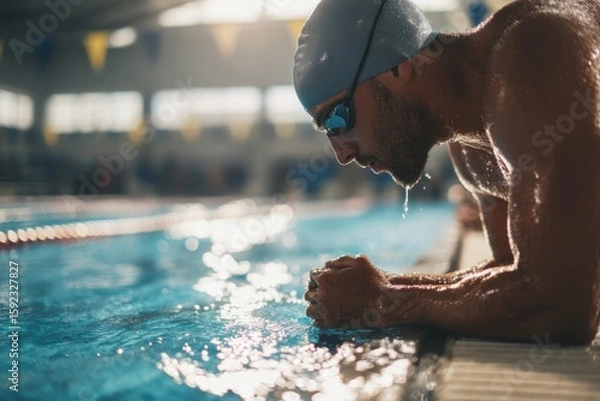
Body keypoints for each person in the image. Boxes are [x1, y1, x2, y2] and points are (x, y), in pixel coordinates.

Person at [294, 0, 599, 344]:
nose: (342, 153)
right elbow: (516, 274)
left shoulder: (533, 53)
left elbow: (563, 306)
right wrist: (383, 287)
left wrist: (383, 301)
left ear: (398, 67)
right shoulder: (470, 149)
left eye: (338, 119)